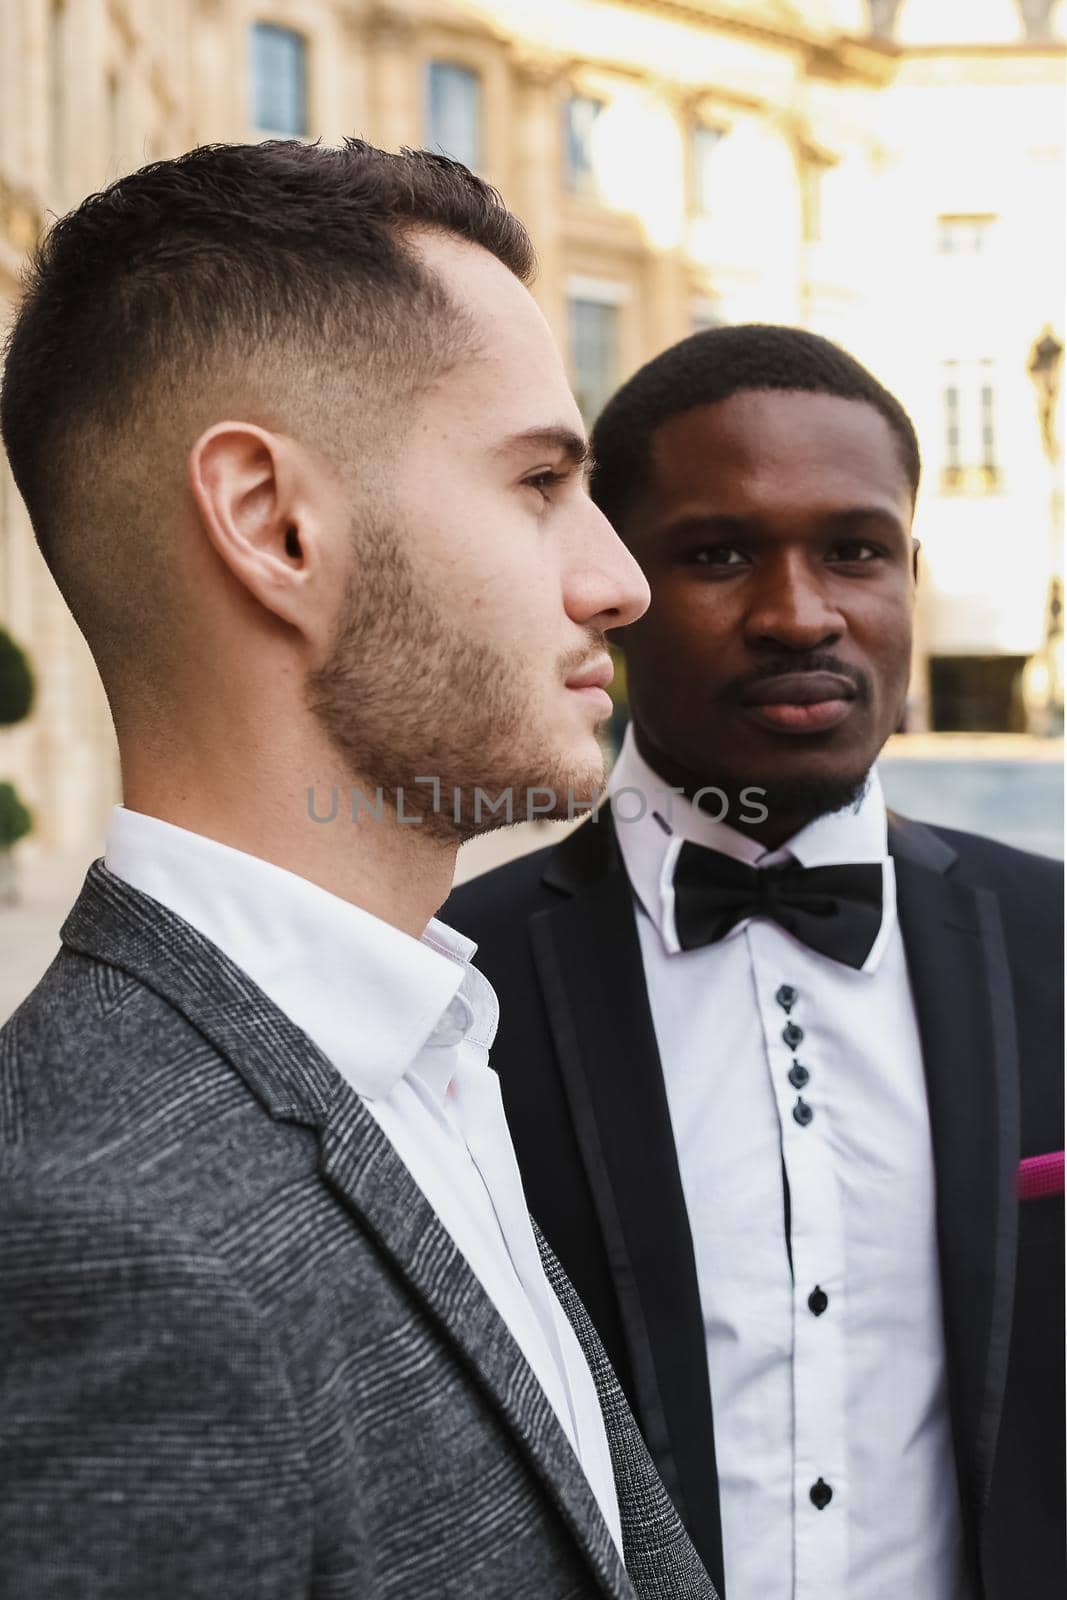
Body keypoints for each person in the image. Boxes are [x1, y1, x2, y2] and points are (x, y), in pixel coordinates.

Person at [0, 140, 720, 1600]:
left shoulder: (419, 1052)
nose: (618, 581)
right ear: (275, 526)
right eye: (536, 481)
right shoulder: (98, 1243)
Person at [446, 325, 1065, 1600]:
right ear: (613, 585)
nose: (798, 613)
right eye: (718, 553)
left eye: (853, 549)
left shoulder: (1054, 939)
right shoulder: (454, 983)